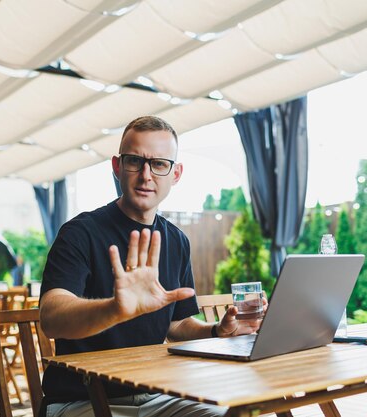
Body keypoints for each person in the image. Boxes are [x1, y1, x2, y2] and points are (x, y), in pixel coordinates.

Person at [39, 116, 264, 417]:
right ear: (117, 167)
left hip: (157, 395)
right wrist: (114, 310)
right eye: (135, 161)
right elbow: (51, 318)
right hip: (82, 400)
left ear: (176, 173)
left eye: (159, 164)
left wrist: (216, 330)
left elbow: (176, 325)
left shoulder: (177, 241)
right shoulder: (80, 233)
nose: (146, 175)